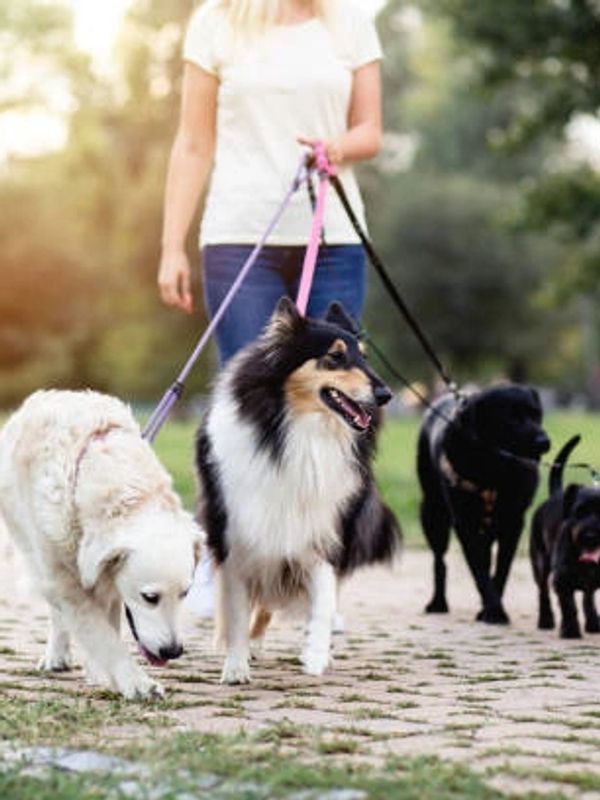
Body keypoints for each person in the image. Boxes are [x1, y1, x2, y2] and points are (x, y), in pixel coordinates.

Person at [158, 0, 383, 617]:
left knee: (334, 409)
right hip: (239, 235)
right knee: (245, 410)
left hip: (332, 233)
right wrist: (171, 244)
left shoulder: (350, 22)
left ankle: (314, 578)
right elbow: (193, 142)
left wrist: (335, 145)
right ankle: (233, 566)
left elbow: (371, 131)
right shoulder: (216, 23)